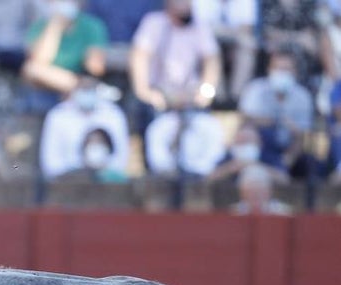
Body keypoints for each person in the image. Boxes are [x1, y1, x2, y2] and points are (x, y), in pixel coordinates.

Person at [128, 0, 221, 119]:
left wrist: (206, 93)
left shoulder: (199, 26)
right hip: (160, 94)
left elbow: (211, 61)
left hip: (191, 95)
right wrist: (144, 91)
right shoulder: (154, 23)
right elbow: (139, 57)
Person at [238, 46, 318, 178]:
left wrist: (288, 157)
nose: (281, 73)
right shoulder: (255, 89)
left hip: (290, 147)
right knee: (252, 133)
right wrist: (276, 121)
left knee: (309, 160)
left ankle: (283, 171)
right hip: (263, 146)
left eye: (286, 69)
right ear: (269, 69)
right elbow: (246, 119)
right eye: (278, 68)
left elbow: (303, 133)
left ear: (295, 72)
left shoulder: (303, 96)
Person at [20, 0, 109, 111]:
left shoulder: (92, 26)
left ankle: (81, 89)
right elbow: (38, 63)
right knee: (32, 69)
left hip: (83, 81)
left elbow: (96, 68)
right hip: (46, 87)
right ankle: (79, 88)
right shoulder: (39, 26)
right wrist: (55, 26)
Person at [38, 77, 131, 179]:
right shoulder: (58, 115)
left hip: (107, 181)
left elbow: (121, 158)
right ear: (75, 89)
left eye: (89, 88)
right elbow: (51, 162)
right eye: (83, 88)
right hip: (67, 182)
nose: (86, 92)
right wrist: (76, 176)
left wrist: (102, 174)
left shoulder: (113, 114)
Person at [230, 160, 295, 213]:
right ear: (242, 193)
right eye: (250, 191)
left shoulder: (284, 213)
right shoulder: (234, 213)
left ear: (269, 191)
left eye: (259, 191)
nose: (255, 195)